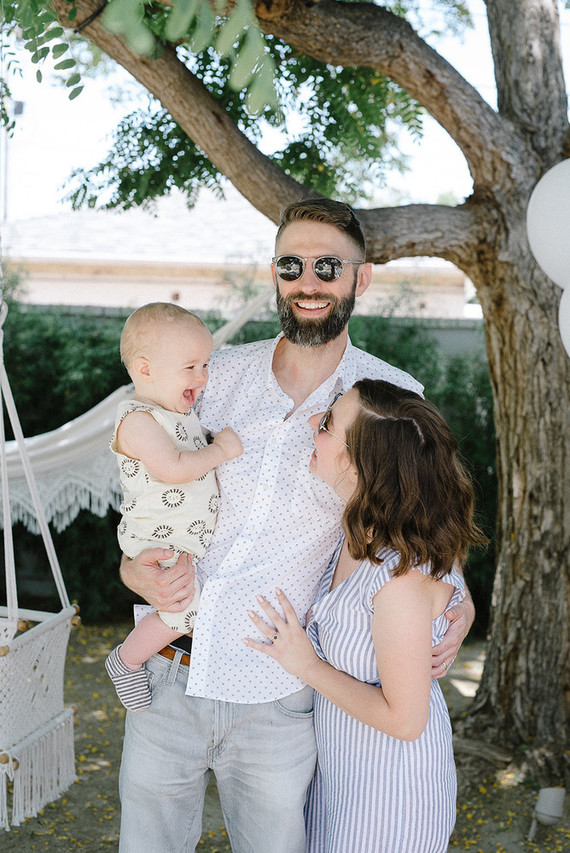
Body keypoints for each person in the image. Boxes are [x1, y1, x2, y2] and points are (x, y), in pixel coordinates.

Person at [118, 199, 475, 853]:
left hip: (278, 693)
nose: (307, 281)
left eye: (327, 266)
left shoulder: (391, 393)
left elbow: (424, 515)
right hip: (170, 670)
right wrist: (133, 568)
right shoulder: (211, 377)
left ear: (360, 280)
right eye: (292, 264)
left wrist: (459, 594)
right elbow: (141, 500)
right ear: (275, 273)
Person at [246, 379, 488, 852]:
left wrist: (307, 666)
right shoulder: (365, 530)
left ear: (357, 464)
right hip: (345, 778)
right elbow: (444, 568)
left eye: (329, 423)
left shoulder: (399, 581)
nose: (315, 423)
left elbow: (405, 722)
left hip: (389, 800)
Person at [105, 302, 243, 711]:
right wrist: (221, 450)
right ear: (146, 370)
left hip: (180, 540)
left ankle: (132, 656)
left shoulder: (176, 414)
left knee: (186, 607)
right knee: (186, 613)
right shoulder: (138, 420)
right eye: (190, 367)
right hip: (156, 539)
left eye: (205, 364)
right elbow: (173, 468)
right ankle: (127, 660)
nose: (202, 377)